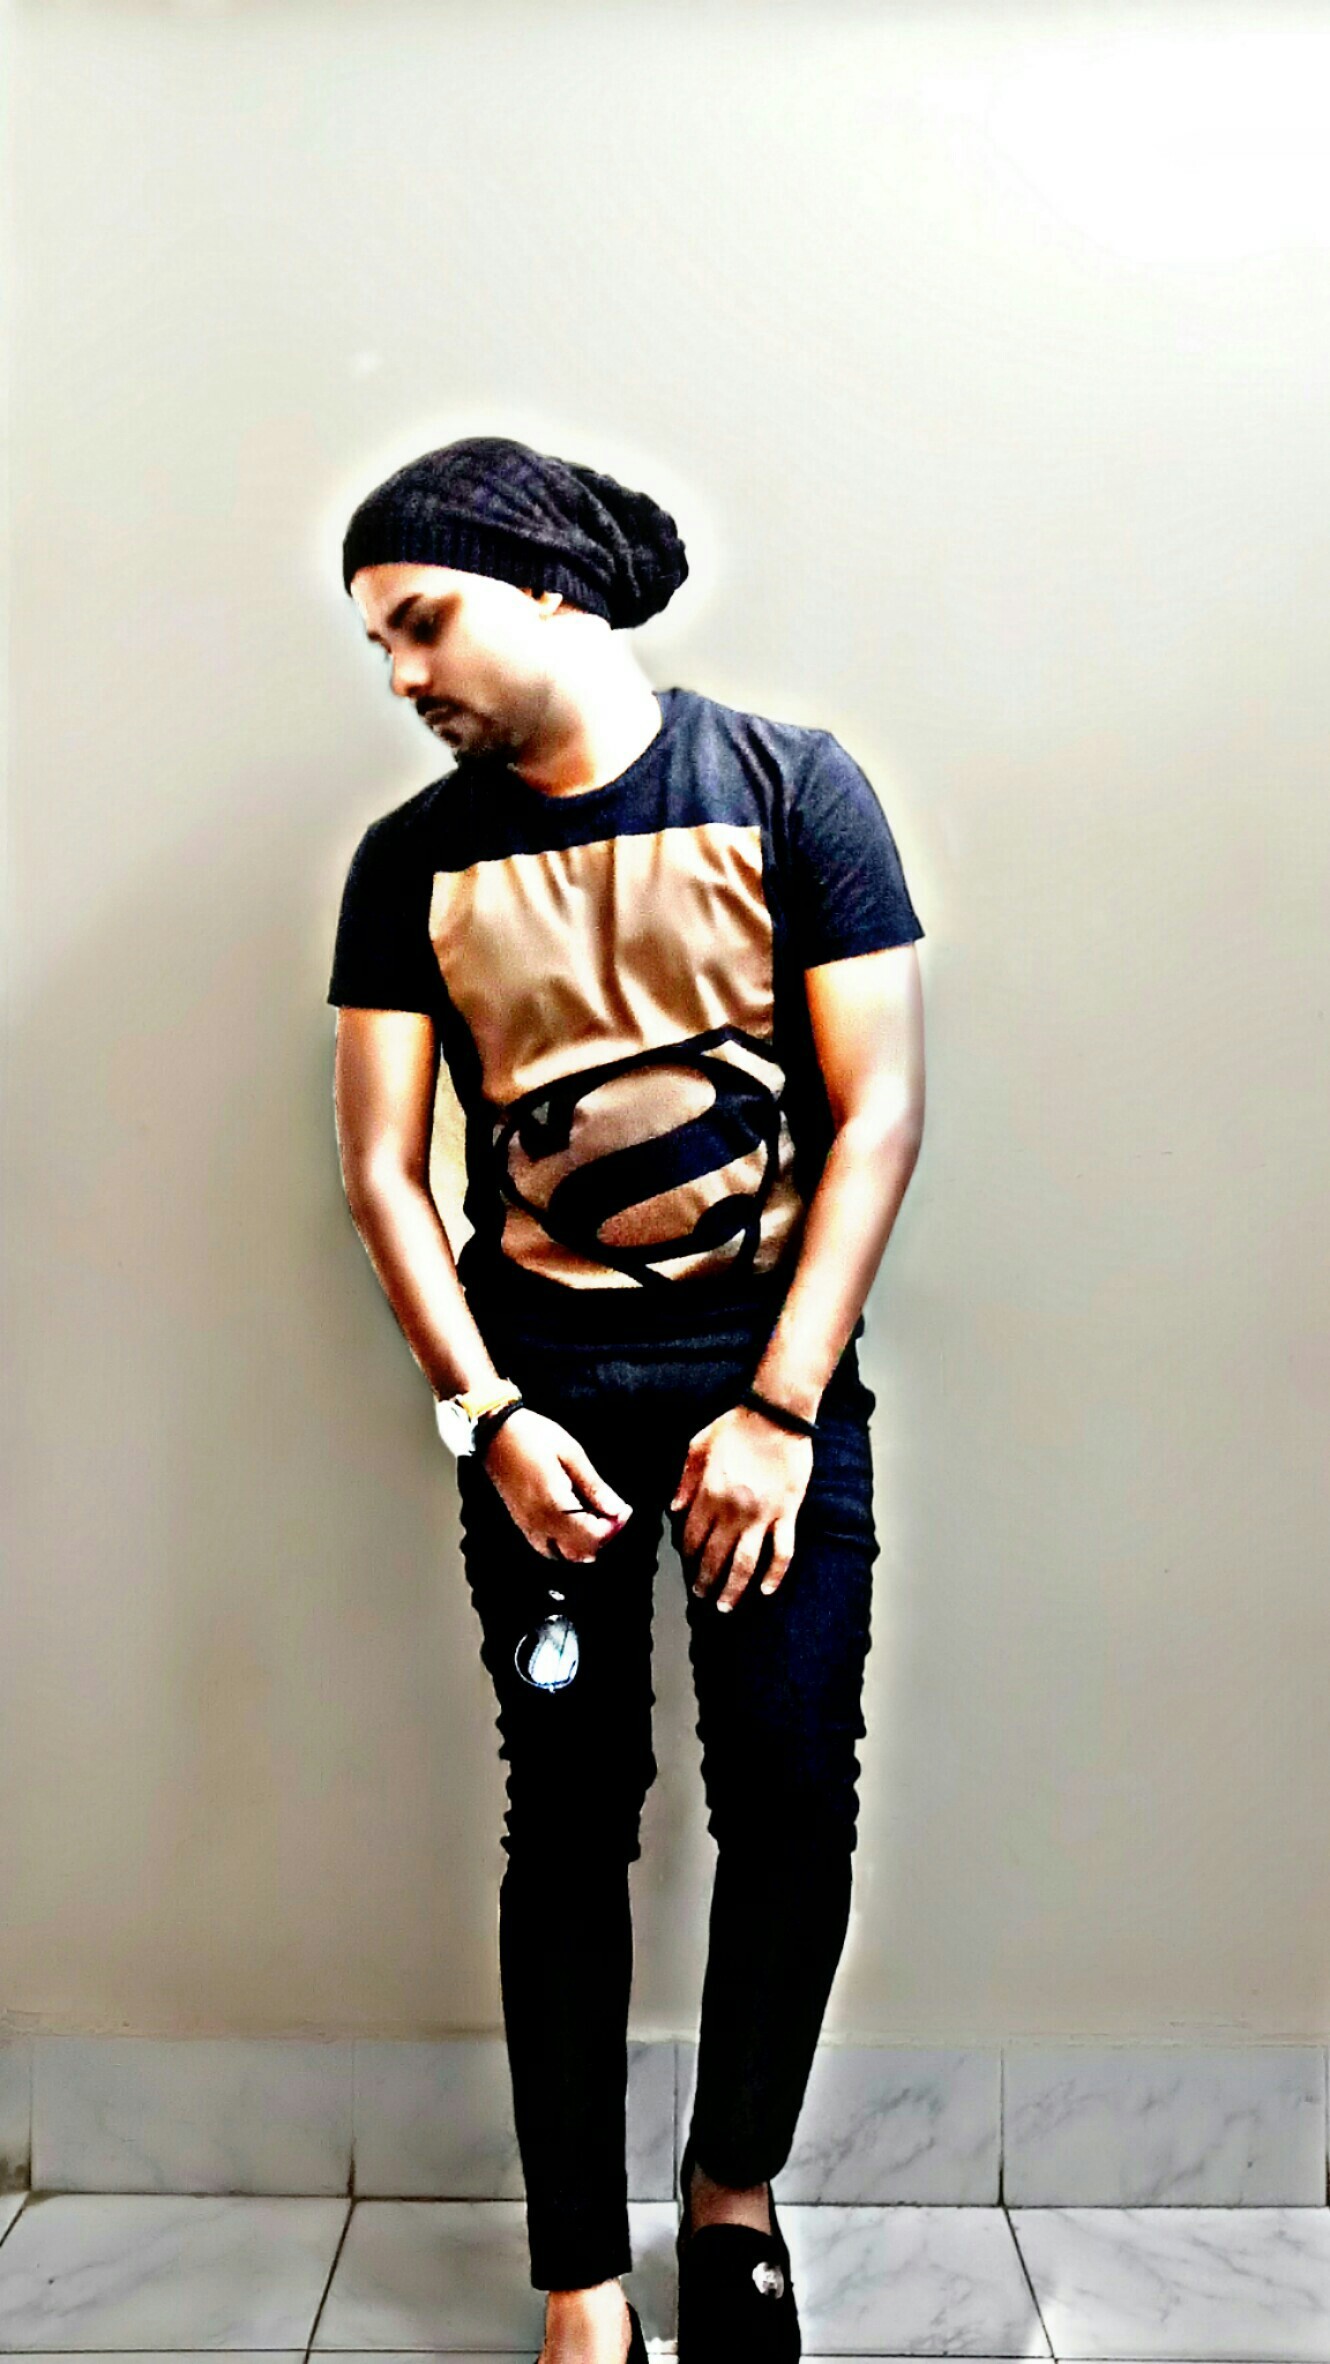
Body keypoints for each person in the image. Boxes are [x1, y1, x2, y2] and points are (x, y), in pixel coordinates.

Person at [326, 434, 927, 2364]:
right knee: (569, 1822)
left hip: (773, 1393)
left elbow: (878, 1112)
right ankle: (579, 2277)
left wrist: (780, 1408)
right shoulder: (410, 862)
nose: (399, 671)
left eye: (421, 621)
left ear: (549, 587)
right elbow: (381, 1174)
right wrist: (488, 1418)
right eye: (377, 642)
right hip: (545, 1411)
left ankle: (732, 2202)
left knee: (792, 1799)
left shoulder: (789, 787)